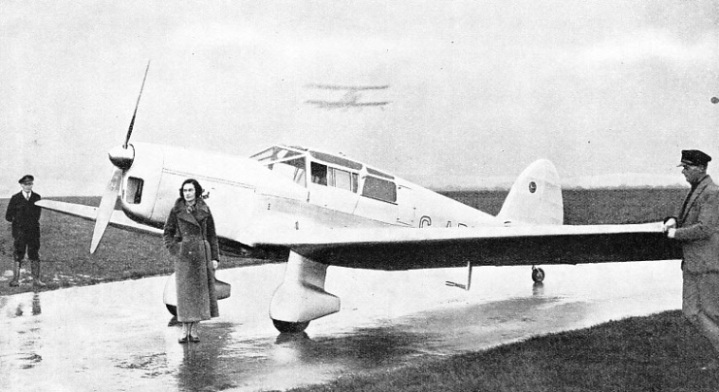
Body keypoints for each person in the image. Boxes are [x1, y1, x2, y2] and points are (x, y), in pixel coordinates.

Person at [663, 149, 719, 370]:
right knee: (691, 312)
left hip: (706, 264)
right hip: (694, 263)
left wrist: (675, 234)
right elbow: (688, 217)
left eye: (687, 168)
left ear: (701, 168)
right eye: (683, 168)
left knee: (710, 313)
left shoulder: (711, 193)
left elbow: (705, 227)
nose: (684, 172)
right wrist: (672, 221)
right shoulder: (697, 190)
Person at [162, 179, 220, 343]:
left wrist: (215, 257)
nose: (187, 193)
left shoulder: (205, 210)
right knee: (185, 294)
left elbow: (212, 235)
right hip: (184, 255)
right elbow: (167, 232)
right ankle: (184, 329)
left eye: (190, 190)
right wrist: (175, 249)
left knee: (199, 293)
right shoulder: (176, 210)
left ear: (197, 192)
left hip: (201, 254)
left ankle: (194, 329)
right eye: (185, 190)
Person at [5, 174, 45, 287]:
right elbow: (8, 216)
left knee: (34, 254)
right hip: (19, 232)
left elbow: (37, 214)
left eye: (30, 184)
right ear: (21, 185)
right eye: (26, 184)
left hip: (33, 232)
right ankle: (15, 280)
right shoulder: (15, 198)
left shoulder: (37, 197)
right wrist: (18, 223)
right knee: (18, 254)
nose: (28, 186)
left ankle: (36, 280)